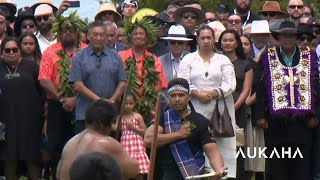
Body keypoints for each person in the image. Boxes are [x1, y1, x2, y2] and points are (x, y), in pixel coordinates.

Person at [255, 20, 319, 180]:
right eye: (284, 35)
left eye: (291, 36)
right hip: (276, 122)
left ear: (296, 37)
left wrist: (316, 114)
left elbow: (316, 85)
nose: (288, 39)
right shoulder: (268, 56)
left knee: (302, 167)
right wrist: (260, 116)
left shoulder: (308, 55)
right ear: (278, 37)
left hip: (302, 122)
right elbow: (261, 86)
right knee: (278, 168)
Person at [177, 25, 237, 178]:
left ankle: (222, 174)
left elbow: (230, 83)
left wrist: (213, 93)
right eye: (202, 38)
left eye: (208, 37)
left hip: (220, 109)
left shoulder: (223, 60)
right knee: (197, 143)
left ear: (214, 40)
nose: (205, 41)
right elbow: (182, 81)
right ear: (197, 40)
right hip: (194, 107)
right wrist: (197, 93)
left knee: (221, 145)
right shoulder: (188, 59)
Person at [144, 78, 228, 180]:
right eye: (173, 96)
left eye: (181, 95)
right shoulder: (162, 118)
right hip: (165, 173)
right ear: (169, 98)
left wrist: (219, 169)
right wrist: (179, 134)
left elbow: (212, 151)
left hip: (193, 174)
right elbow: (148, 140)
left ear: (188, 98)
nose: (177, 99)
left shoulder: (200, 121)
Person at [38, 12, 87, 180]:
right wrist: (62, 98)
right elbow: (44, 79)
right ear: (59, 31)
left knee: (81, 145)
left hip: (83, 105)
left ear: (78, 32)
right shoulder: (50, 52)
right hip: (57, 105)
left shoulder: (87, 51)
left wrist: (75, 99)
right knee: (56, 147)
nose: (68, 33)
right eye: (64, 29)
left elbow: (91, 79)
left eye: (72, 29)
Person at [57, 100, 139, 180]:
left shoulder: (70, 143)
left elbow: (58, 174)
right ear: (102, 124)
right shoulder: (105, 143)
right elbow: (133, 170)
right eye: (112, 123)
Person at [69, 20, 127, 133]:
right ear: (88, 36)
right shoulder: (79, 57)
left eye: (102, 35)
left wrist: (112, 100)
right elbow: (78, 86)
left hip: (109, 115)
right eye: (95, 35)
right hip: (85, 115)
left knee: (108, 149)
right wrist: (99, 101)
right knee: (85, 149)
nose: (99, 38)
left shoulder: (115, 56)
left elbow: (123, 82)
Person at [0, 37, 43, 180]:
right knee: (9, 159)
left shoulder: (32, 67)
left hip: (30, 121)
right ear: (2, 53)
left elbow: (42, 92)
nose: (11, 53)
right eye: (7, 50)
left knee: (32, 158)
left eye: (15, 50)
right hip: (5, 123)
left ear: (20, 51)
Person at [118, 18, 167, 122]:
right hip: (124, 107)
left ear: (147, 37)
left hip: (149, 109)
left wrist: (147, 102)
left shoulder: (154, 59)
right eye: (135, 34)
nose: (138, 36)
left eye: (141, 33)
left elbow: (159, 86)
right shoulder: (120, 56)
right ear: (130, 37)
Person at [118, 93, 149, 180]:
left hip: (137, 145)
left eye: (130, 103)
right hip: (125, 145)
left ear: (134, 104)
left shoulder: (137, 116)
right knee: (125, 171)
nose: (128, 106)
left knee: (139, 172)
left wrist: (133, 128)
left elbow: (144, 131)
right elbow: (115, 128)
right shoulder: (120, 117)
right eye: (126, 103)